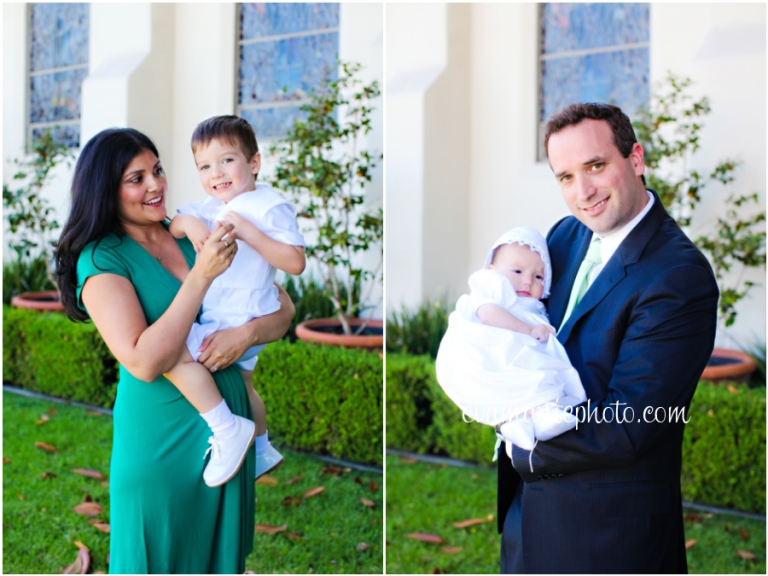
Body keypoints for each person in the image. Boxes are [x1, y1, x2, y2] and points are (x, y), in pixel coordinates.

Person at [55, 127, 295, 573]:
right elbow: (145, 361)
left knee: (217, 561)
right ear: (106, 191)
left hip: (229, 437)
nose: (156, 185)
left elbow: (283, 308)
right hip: (161, 440)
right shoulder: (102, 259)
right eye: (137, 178)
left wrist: (246, 335)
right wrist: (201, 276)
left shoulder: (192, 230)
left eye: (158, 170)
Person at [497, 103, 719, 573]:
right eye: (566, 177)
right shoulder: (564, 236)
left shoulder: (679, 276)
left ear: (635, 159)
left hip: (609, 538)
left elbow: (631, 424)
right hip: (528, 520)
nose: (583, 192)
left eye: (596, 166)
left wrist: (520, 440)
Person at [166, 115, 306, 486]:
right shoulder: (212, 207)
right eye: (205, 166)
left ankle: (227, 429)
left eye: (227, 160)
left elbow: (295, 262)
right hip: (224, 313)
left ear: (254, 163)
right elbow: (174, 224)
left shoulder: (268, 205)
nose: (216, 173)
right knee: (244, 387)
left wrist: (247, 231)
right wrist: (190, 224)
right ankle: (261, 449)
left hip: (241, 317)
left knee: (170, 350)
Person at [435, 227, 585, 453]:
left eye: (538, 276)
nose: (527, 282)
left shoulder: (531, 304)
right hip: (497, 351)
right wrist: (529, 329)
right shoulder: (493, 287)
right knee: (527, 378)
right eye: (517, 271)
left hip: (519, 352)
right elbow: (489, 315)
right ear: (492, 270)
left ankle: (524, 423)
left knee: (532, 381)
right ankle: (530, 417)